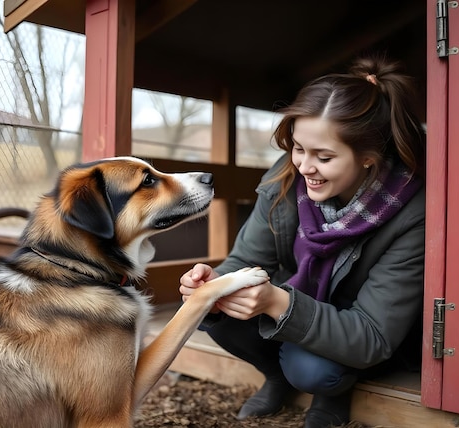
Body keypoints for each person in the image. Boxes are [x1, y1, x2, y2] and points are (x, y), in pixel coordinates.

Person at [179, 56, 426, 428]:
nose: (304, 167)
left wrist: (277, 301)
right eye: (297, 148)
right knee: (217, 314)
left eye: (324, 157)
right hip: (303, 303)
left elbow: (374, 334)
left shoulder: (412, 212)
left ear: (368, 160)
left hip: (360, 327)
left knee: (311, 370)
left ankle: (333, 391)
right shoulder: (285, 177)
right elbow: (246, 257)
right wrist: (213, 281)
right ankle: (275, 377)